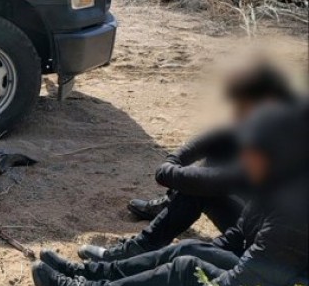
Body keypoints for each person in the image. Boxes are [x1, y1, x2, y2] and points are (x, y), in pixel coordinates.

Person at [32, 102, 308, 286]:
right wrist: (200, 253)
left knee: (185, 269)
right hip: (270, 282)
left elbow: (249, 285)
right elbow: (237, 238)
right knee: (189, 250)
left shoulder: (294, 208)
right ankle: (92, 274)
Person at [79, 62, 296, 262]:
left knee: (198, 188)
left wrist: (167, 173)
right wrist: (175, 158)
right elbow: (219, 136)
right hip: (261, 223)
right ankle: (170, 207)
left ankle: (144, 245)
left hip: (273, 246)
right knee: (216, 159)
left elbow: (216, 180)